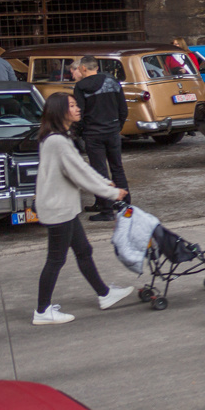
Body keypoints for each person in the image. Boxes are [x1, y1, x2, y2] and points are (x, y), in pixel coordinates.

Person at [32, 92, 132, 326]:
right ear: (60, 111)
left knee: (84, 250)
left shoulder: (58, 137)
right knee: (56, 259)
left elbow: (80, 168)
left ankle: (105, 294)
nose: (78, 108)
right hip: (58, 209)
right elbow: (78, 174)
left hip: (63, 207)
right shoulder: (57, 141)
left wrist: (104, 182)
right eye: (72, 105)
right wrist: (110, 192)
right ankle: (42, 310)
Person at [72, 55, 130, 222]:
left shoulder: (81, 86)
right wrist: (117, 127)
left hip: (93, 134)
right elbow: (123, 109)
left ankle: (106, 210)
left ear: (83, 68)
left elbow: (80, 113)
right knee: (117, 168)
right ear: (96, 67)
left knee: (100, 171)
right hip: (112, 131)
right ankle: (124, 205)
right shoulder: (112, 82)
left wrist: (80, 132)